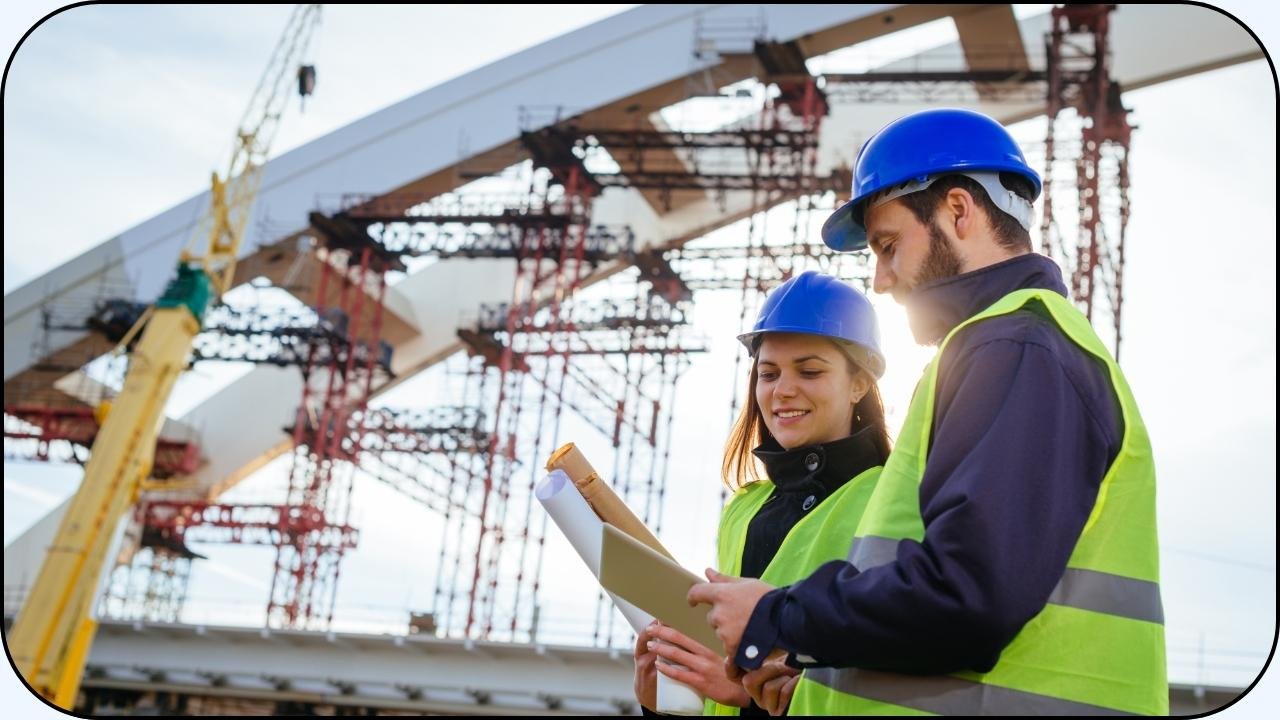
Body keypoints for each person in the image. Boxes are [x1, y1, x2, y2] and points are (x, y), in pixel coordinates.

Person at [688, 107, 1167, 715]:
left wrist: (778, 615)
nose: (881, 280)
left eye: (889, 246)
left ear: (959, 211)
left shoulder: (1013, 345)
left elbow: (968, 596)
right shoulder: (1005, 346)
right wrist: (818, 673)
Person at [632, 271, 891, 716]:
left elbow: (890, 684)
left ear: (859, 383)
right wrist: (669, 700)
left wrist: (750, 694)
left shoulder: (892, 500)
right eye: (768, 374)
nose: (782, 390)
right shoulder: (744, 508)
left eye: (809, 371)